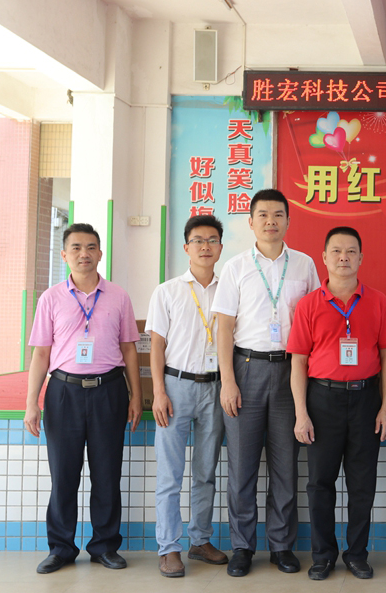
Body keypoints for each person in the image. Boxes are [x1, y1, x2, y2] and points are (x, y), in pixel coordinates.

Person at [24, 223, 143, 574]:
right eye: (76, 247)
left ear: (100, 254)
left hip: (109, 390)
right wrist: (32, 402)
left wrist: (136, 396)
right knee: (64, 476)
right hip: (63, 392)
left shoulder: (118, 296)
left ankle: (104, 546)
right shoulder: (50, 298)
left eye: (91, 247)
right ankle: (61, 548)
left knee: (107, 474)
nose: (84, 254)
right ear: (64, 255)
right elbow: (41, 354)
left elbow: (129, 349)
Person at [212, 189, 320, 577]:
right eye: (263, 215)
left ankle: (281, 546)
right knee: (241, 466)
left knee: (285, 465)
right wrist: (228, 381)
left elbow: (316, 320)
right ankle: (242, 546)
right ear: (251, 222)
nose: (270, 221)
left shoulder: (305, 265)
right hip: (246, 369)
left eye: (278, 214)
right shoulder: (236, 267)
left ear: (289, 220)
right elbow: (224, 328)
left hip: (291, 371)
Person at [288, 226, 386, 581]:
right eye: (336, 251)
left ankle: (357, 554)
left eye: (351, 251)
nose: (343, 257)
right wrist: (301, 413)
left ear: (361, 258)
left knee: (362, 483)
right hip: (322, 400)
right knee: (320, 483)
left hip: (366, 399)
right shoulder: (308, 305)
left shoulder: (378, 301)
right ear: (324, 257)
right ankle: (323, 556)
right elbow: (298, 362)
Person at [146, 215, 229, 577]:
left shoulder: (230, 290)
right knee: (170, 474)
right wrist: (158, 392)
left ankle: (200, 540)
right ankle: (169, 548)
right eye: (198, 240)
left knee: (206, 471)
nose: (205, 246)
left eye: (212, 240)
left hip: (216, 386)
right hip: (175, 386)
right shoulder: (167, 291)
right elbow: (157, 346)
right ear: (186, 247)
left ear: (221, 248)